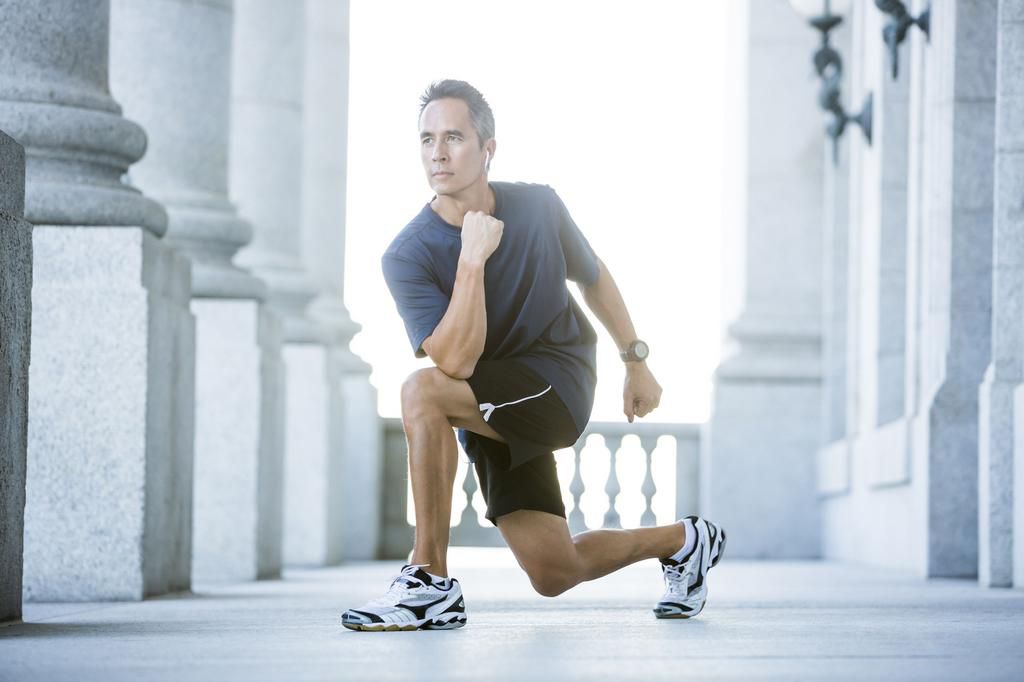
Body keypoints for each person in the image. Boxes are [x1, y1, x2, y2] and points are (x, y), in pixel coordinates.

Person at [341, 80, 726, 632]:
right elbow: (457, 362)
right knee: (553, 570)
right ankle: (687, 541)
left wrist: (635, 359)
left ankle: (428, 581)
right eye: (426, 139)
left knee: (418, 389)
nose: (438, 153)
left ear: (488, 147)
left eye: (454, 136)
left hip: (555, 380)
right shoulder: (408, 253)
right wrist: (471, 261)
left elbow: (593, 278)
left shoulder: (539, 205)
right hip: (488, 399)